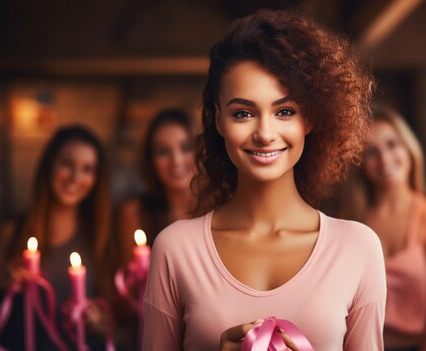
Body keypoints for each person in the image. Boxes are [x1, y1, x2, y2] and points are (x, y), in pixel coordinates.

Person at [143, 9, 386, 351]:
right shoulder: (175, 250)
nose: (265, 133)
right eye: (243, 113)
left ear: (311, 118)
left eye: (284, 111)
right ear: (218, 120)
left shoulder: (358, 249)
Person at [0, 125, 114, 349]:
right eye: (67, 163)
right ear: (49, 165)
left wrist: (101, 323)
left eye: (88, 169)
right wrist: (2, 282)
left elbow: (115, 326)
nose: (76, 177)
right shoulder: (13, 231)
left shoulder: (98, 235)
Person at [345, 108, 426, 350]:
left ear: (409, 148)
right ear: (360, 162)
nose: (384, 159)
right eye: (372, 151)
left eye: (392, 144)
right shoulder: (352, 223)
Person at [116, 109, 196, 263]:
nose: (176, 161)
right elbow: (131, 282)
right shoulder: (134, 213)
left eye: (186, 148)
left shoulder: (220, 207)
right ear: (150, 160)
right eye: (163, 151)